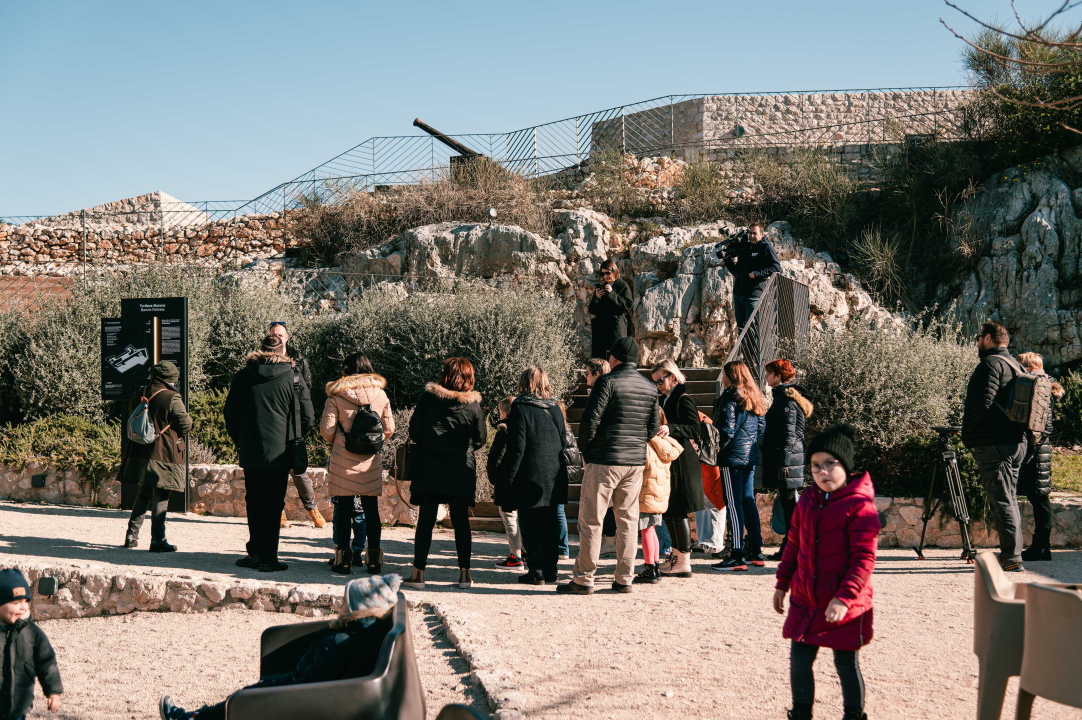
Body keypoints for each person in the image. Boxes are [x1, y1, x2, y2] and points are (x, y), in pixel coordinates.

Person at [159, 575, 400, 720]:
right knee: (246, 694)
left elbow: (310, 684)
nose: (340, 606)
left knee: (242, 699)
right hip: (306, 689)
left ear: (357, 608)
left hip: (303, 699)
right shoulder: (358, 634)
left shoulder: (341, 640)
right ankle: (197, 717)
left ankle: (192, 718)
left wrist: (280, 687)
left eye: (346, 602)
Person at [774, 424, 879, 720]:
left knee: (845, 663)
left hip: (844, 603)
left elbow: (864, 559)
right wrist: (782, 583)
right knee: (799, 660)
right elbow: (793, 544)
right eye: (815, 465)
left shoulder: (860, 506)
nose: (822, 472)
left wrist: (844, 598)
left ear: (845, 464)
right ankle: (801, 713)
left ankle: (853, 716)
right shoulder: (807, 499)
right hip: (806, 598)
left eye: (830, 464)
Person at [560, 337, 659, 595]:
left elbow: (590, 421)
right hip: (634, 463)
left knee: (592, 520)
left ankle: (584, 579)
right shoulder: (650, 387)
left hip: (604, 460)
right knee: (628, 521)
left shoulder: (607, 382)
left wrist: (587, 452)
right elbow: (653, 429)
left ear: (614, 358)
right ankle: (624, 578)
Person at [225, 334, 314, 573]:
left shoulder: (243, 376)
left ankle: (254, 553)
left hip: (251, 449)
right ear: (282, 350)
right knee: (274, 504)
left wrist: (240, 440)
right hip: (281, 451)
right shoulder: (294, 376)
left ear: (261, 349)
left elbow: (230, 414)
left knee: (254, 501)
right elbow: (307, 417)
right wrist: (295, 439)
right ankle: (268, 557)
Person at [403, 358, 487, 590]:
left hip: (429, 466)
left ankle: (418, 575)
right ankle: (465, 575)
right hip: (460, 469)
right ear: (469, 378)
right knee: (461, 522)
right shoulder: (473, 405)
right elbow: (480, 439)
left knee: (426, 521)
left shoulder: (428, 399)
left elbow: (414, 432)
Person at [961, 321, 1029, 572]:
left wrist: (967, 436)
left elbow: (979, 405)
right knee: (1009, 499)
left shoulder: (990, 364)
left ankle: (1011, 558)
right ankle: (1012, 553)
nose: (977, 341)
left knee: (1001, 501)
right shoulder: (1016, 365)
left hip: (995, 444)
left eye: (979, 337)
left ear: (988, 338)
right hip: (1017, 442)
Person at [319, 353, 395, 575]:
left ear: (345, 370)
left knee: (343, 509)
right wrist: (371, 442)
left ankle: (343, 559)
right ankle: (373, 560)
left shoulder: (336, 396)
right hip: (370, 461)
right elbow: (389, 429)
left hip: (344, 460)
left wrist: (342, 442)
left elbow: (326, 430)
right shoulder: (381, 395)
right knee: (371, 511)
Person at [501, 367, 569, 585]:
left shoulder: (520, 408)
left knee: (530, 524)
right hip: (554, 473)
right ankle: (551, 570)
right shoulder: (554, 407)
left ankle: (536, 570)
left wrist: (509, 479)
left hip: (530, 473)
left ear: (523, 383)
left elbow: (517, 448)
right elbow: (563, 440)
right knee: (550, 523)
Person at [120, 360, 193, 553]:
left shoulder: (140, 392)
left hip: (140, 451)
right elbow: (186, 425)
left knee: (143, 493)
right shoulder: (172, 397)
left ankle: (131, 536)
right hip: (164, 453)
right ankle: (158, 540)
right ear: (169, 379)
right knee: (161, 494)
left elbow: (133, 415)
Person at [268, 321, 326, 530]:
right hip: (274, 423)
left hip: (294, 423)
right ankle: (279, 511)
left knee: (299, 471)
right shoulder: (263, 360)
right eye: (274, 334)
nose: (277, 337)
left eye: (280, 334)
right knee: (276, 473)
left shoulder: (299, 360)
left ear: (287, 337)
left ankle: (312, 509)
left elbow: (306, 388)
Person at [652, 359, 706, 579]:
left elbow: (695, 428)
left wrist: (670, 428)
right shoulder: (666, 399)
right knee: (671, 511)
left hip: (682, 462)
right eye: (655, 382)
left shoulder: (683, 398)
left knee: (677, 511)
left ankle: (683, 561)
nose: (658, 385)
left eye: (660, 380)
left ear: (672, 377)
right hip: (674, 460)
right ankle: (676, 557)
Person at [712, 360, 768, 571]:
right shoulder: (754, 396)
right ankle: (755, 550)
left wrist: (717, 449)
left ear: (731, 376)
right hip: (750, 456)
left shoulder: (729, 397)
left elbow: (726, 430)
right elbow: (761, 428)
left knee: (733, 504)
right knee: (747, 501)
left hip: (732, 457)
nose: (722, 378)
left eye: (724, 374)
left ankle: (736, 554)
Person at [761, 358, 813, 560]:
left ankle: (792, 550)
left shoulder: (786, 401)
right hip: (790, 459)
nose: (766, 377)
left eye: (769, 373)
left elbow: (788, 435)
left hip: (789, 461)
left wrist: (783, 463)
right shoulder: (784, 398)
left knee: (790, 505)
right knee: (788, 505)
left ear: (778, 375)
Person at [1016, 352, 1064, 562]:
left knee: (1040, 500)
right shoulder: (1039, 385)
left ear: (1032, 368)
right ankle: (1041, 547)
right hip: (1037, 450)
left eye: (1022, 367)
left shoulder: (1041, 387)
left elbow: (1046, 426)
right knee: (1038, 499)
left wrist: (1030, 451)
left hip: (1037, 452)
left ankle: (1042, 547)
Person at [0, 569, 62, 720]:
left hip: (18, 707)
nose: (23, 607)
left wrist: (53, 690)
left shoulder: (32, 633)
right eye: (16, 602)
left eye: (26, 601)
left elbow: (46, 662)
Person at [634, 408, 682, 584]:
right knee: (652, 529)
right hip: (659, 492)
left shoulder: (646, 443)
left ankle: (650, 568)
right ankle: (654, 565)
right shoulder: (664, 443)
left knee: (646, 530)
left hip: (646, 492)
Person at [584, 358, 619, 558]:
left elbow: (592, 423)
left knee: (603, 502)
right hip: (610, 452)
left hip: (602, 453)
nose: (585, 377)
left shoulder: (601, 391)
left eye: (587, 373)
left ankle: (608, 540)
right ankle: (609, 540)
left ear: (596, 373)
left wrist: (587, 450)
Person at [722, 222, 781, 330]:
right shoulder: (746, 247)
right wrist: (726, 260)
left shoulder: (766, 247)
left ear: (762, 234)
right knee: (741, 328)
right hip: (738, 294)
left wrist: (757, 274)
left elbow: (776, 267)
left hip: (753, 295)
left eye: (755, 233)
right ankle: (743, 343)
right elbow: (737, 272)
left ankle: (754, 343)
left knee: (751, 329)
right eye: (750, 233)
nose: (752, 235)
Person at [489, 396, 525, 569]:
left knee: (509, 516)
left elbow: (494, 458)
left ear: (504, 413)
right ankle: (524, 550)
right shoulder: (524, 428)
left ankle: (515, 556)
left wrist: (493, 477)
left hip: (506, 480)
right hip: (524, 478)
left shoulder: (504, 432)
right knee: (522, 518)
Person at [587, 260, 634, 360]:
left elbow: (627, 305)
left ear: (614, 271)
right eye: (603, 274)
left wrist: (612, 293)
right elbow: (592, 310)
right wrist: (596, 298)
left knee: (617, 357)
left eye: (608, 273)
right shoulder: (602, 287)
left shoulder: (623, 285)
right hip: (601, 329)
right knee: (600, 359)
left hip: (616, 327)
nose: (605, 276)